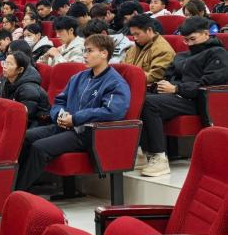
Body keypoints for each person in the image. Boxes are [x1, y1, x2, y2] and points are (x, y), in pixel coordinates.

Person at [16, 34, 130, 191]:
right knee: (24, 137)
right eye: (84, 50)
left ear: (104, 53)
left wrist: (75, 118)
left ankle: (16, 191)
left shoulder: (115, 82)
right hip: (65, 125)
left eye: (90, 51)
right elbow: (59, 101)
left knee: (40, 147)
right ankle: (13, 184)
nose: (85, 55)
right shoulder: (78, 77)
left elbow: (112, 112)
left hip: (87, 133)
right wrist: (59, 115)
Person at [137, 17, 228, 177]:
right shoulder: (181, 56)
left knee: (149, 104)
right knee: (138, 99)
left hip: (198, 100)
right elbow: (169, 75)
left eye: (193, 39)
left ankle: (159, 157)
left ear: (206, 34)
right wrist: (163, 86)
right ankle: (145, 152)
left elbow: (209, 82)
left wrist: (177, 88)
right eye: (186, 40)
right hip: (176, 96)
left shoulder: (218, 53)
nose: (189, 43)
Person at [0, 51, 49, 127]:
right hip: (13, 120)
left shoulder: (28, 89)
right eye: (5, 62)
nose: (4, 66)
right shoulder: (5, 80)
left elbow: (25, 118)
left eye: (9, 64)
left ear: (20, 70)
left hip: (36, 124)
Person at [123, 15, 175, 84]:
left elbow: (154, 77)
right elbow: (123, 67)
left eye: (137, 34)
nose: (135, 38)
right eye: (133, 35)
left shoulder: (163, 50)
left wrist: (128, 77)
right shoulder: (133, 48)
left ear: (149, 30)